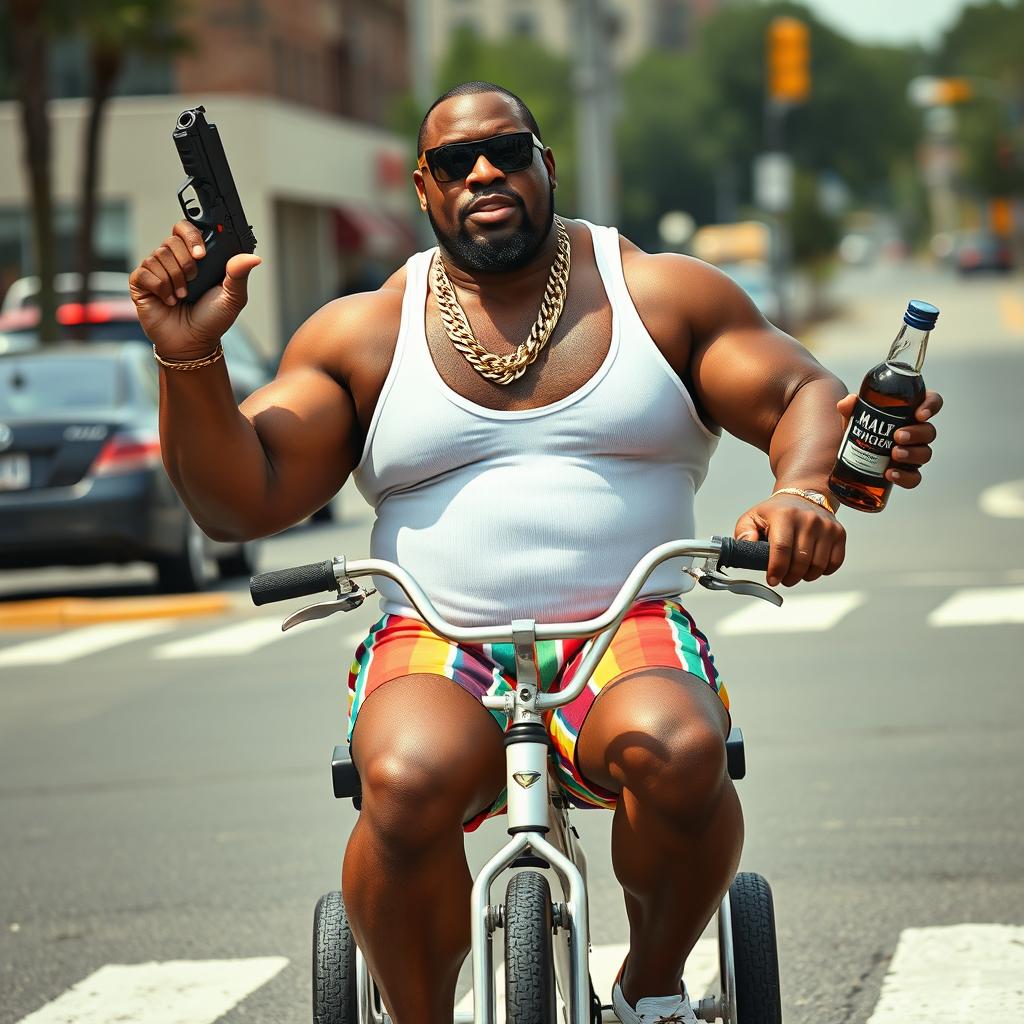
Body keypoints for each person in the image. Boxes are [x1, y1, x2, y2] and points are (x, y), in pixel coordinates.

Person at [130, 82, 943, 1024]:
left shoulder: (660, 294)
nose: (483, 171)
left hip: (626, 624)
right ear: (425, 193)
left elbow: (803, 390)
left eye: (508, 150)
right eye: (451, 162)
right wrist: (188, 358)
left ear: (545, 165)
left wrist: (803, 490)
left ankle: (651, 992)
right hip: (438, 638)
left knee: (681, 751)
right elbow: (240, 498)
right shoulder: (363, 332)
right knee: (402, 780)